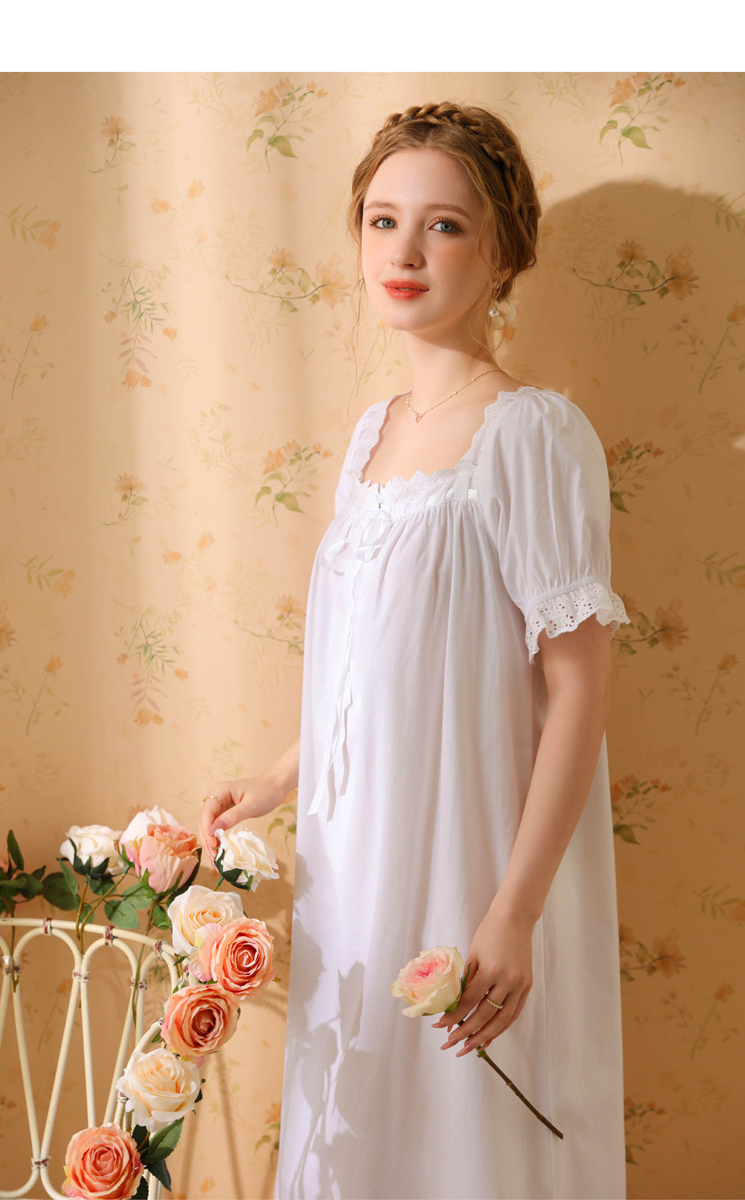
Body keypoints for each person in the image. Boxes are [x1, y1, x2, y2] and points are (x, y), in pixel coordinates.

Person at [199, 100, 631, 1200]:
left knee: (461, 1136)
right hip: (353, 854)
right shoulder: (371, 435)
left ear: (502, 253)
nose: (403, 252)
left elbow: (579, 690)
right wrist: (277, 779)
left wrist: (512, 911)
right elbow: (375, 662)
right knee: (363, 1122)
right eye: (382, 220)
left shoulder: (533, 434)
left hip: (467, 848)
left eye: (443, 225)